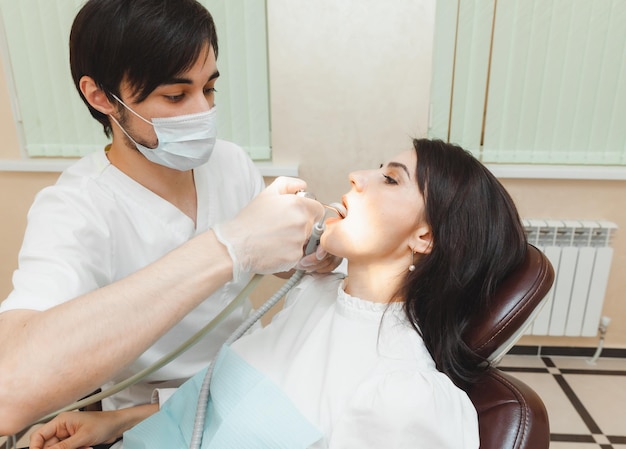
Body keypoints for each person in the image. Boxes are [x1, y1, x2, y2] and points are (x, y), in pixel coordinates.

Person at [30, 138, 528, 449]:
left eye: (390, 179)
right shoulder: (310, 295)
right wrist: (113, 423)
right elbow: (224, 402)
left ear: (426, 237)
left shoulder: (401, 395)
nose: (357, 176)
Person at [0, 0, 340, 435]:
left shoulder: (229, 162)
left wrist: (311, 249)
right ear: (101, 96)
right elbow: (11, 386)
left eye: (210, 89)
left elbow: (280, 257)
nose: (202, 112)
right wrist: (228, 246)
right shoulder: (74, 208)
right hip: (152, 421)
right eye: (175, 95)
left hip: (243, 388)